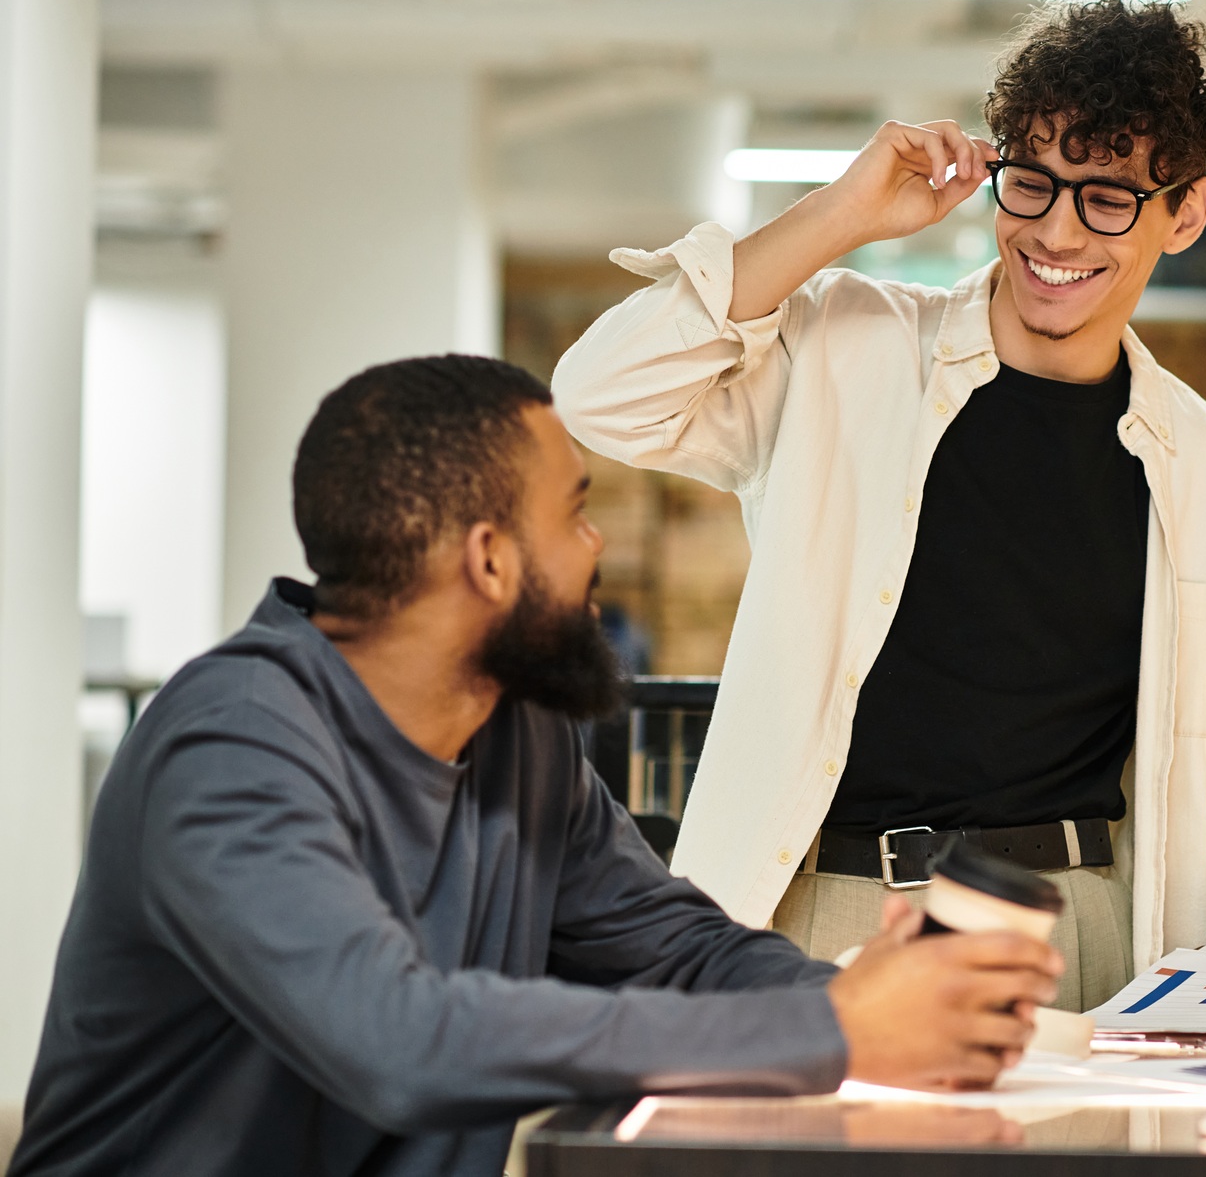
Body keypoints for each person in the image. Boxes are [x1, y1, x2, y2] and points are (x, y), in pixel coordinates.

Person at [9, 356, 1061, 1177]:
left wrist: (874, 997)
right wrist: (831, 1028)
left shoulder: (519, 729)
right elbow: (396, 1034)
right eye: (574, 510)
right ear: (489, 558)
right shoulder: (232, 744)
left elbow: (674, 947)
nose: (597, 541)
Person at [553, 0, 1206, 1010]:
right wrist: (839, 214)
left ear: (1185, 213)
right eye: (1030, 184)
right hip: (822, 916)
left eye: (1107, 198)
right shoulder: (851, 349)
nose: (1054, 230)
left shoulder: (1203, 459)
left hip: (1070, 932)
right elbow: (601, 395)